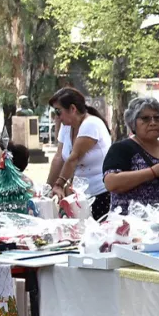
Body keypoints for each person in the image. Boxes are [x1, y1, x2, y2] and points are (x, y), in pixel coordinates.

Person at [46, 88, 113, 219]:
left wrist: (59, 184)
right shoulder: (66, 127)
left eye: (58, 111)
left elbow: (73, 158)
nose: (56, 117)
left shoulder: (91, 124)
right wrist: (48, 189)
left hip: (100, 193)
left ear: (72, 109)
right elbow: (59, 158)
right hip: (78, 197)